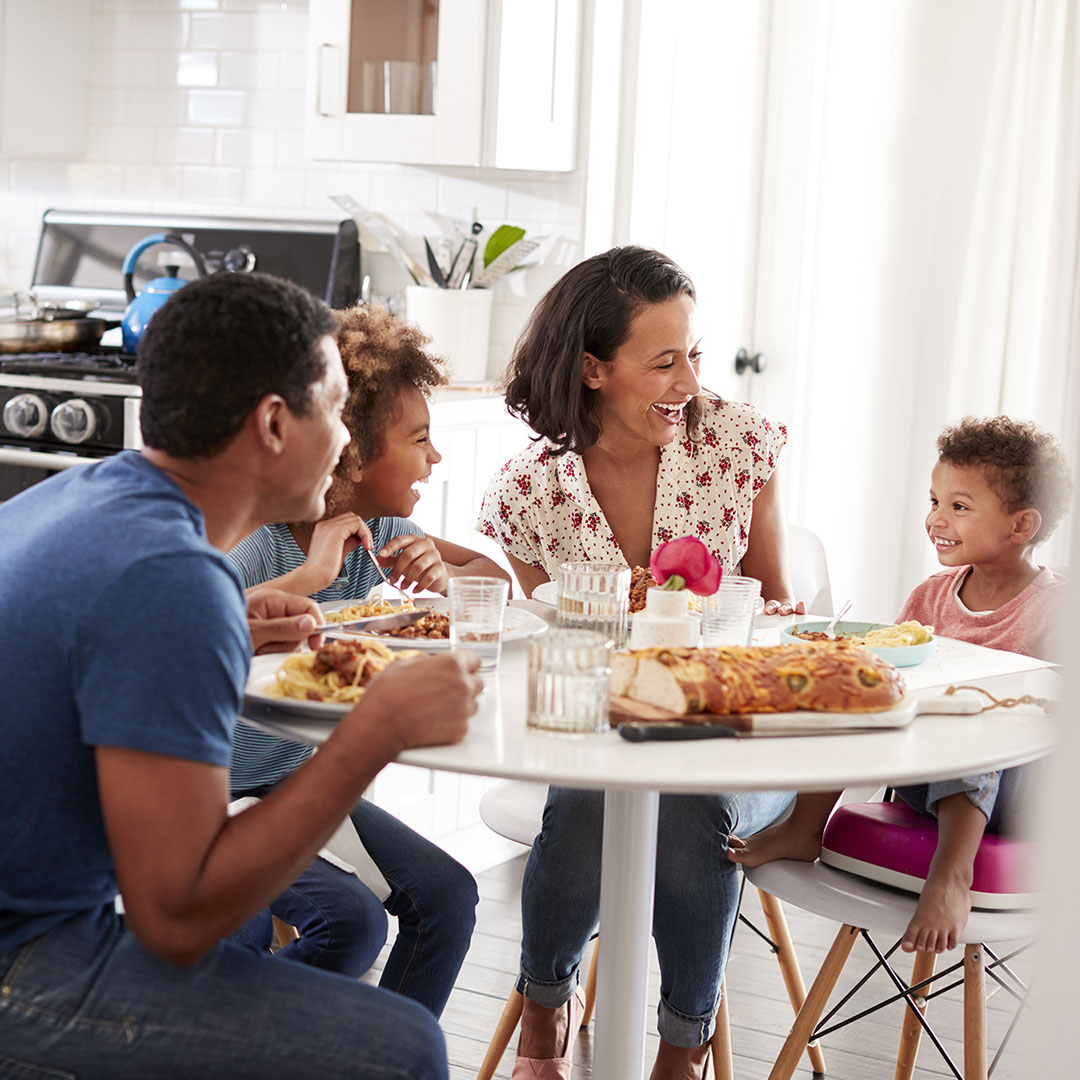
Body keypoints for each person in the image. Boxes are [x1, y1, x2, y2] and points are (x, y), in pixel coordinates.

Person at [0, 272, 484, 1079]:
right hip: (24, 955)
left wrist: (226, 606)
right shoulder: (171, 582)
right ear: (272, 424)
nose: (343, 442)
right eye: (333, 411)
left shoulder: (89, 498)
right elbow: (179, 918)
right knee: (405, 1050)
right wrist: (377, 731)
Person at [475, 246, 801, 1079]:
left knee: (691, 807)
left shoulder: (736, 446)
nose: (690, 380)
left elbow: (773, 603)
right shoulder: (530, 494)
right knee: (592, 795)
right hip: (603, 730)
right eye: (663, 362)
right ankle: (546, 1008)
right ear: (591, 369)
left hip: (736, 729)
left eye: (694, 353)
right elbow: (557, 649)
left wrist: (750, 618)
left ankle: (681, 1047)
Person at [227, 304, 509, 1014]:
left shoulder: (382, 530)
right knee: (347, 925)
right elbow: (197, 622)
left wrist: (450, 576)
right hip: (218, 794)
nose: (435, 457)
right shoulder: (263, 540)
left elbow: (495, 585)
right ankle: (248, 1033)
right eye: (420, 439)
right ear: (350, 448)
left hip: (302, 784)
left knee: (448, 896)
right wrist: (310, 577)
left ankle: (362, 1055)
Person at [729, 415, 1073, 955]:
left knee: (975, 717)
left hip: (1021, 791)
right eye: (934, 501)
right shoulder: (931, 596)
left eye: (959, 507)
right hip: (927, 779)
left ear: (1021, 525)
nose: (936, 518)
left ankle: (953, 875)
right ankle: (804, 826)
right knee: (856, 688)